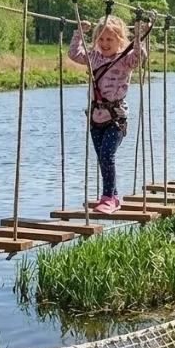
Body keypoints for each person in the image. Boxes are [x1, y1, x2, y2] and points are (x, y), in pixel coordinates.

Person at [69, 12, 155, 214]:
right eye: (101, 39)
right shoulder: (93, 57)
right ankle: (113, 195)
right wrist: (79, 33)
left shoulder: (124, 60)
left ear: (120, 40)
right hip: (95, 118)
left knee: (107, 155)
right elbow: (74, 53)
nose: (105, 43)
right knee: (102, 158)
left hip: (116, 117)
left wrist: (141, 34)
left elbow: (139, 56)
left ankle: (108, 197)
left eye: (110, 39)